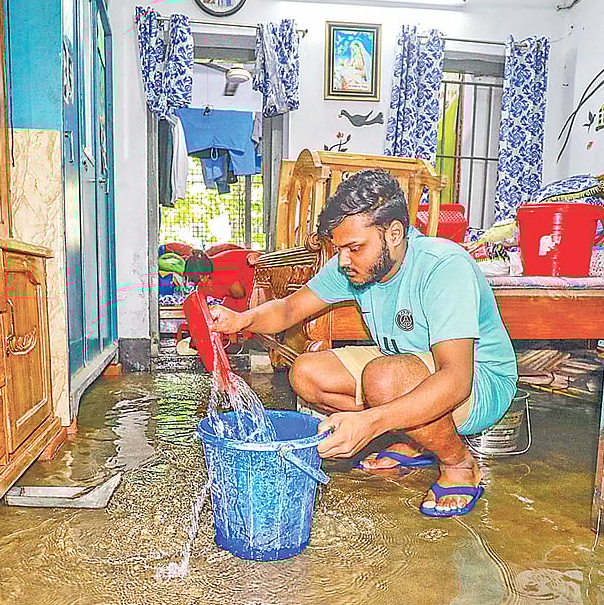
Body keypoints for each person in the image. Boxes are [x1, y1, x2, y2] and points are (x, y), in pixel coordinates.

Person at [209, 169, 518, 516]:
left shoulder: (443, 266)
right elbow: (290, 308)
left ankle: (459, 463)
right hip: (407, 363)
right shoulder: (356, 265)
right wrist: (241, 320)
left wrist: (370, 422)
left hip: (479, 380)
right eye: (340, 248)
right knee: (306, 372)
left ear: (395, 233)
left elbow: (457, 379)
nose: (343, 260)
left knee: (383, 378)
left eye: (354, 248)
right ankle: (416, 440)